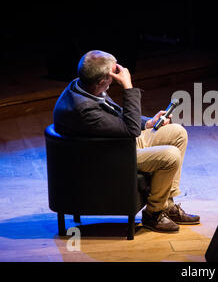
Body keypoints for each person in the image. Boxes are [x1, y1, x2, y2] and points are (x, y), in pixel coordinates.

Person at [53, 50, 199, 232]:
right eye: (112, 75)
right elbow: (129, 129)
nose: (117, 76)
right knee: (171, 155)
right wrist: (128, 87)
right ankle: (153, 214)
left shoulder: (83, 86)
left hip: (116, 144)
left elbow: (118, 116)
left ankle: (166, 204)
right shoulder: (83, 109)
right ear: (101, 81)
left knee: (177, 133)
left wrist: (149, 122)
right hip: (109, 157)